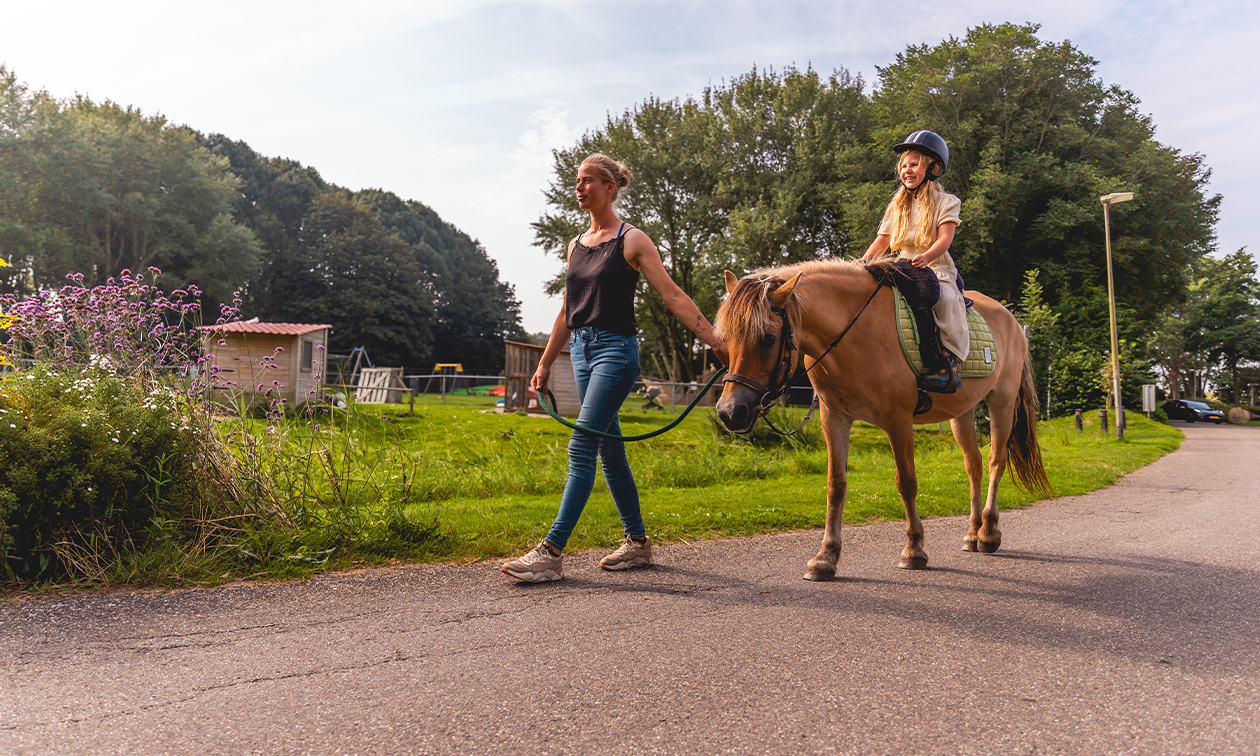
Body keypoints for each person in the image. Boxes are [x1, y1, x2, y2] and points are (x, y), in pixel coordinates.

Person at [500, 154, 729, 583]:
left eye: (588, 180)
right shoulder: (575, 244)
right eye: (577, 181)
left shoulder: (632, 239)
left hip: (615, 352)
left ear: (609, 186)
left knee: (581, 446)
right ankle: (638, 543)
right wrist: (546, 361)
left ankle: (551, 550)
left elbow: (674, 296)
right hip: (583, 353)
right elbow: (568, 308)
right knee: (609, 448)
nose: (579, 187)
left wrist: (716, 341)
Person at [859, 130, 968, 392]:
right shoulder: (896, 206)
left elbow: (945, 239)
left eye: (914, 164)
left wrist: (927, 256)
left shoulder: (946, 202)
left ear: (932, 168)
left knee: (943, 297)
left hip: (934, 265)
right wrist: (861, 263)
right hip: (901, 266)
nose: (907, 170)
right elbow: (882, 243)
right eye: (904, 166)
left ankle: (950, 366)